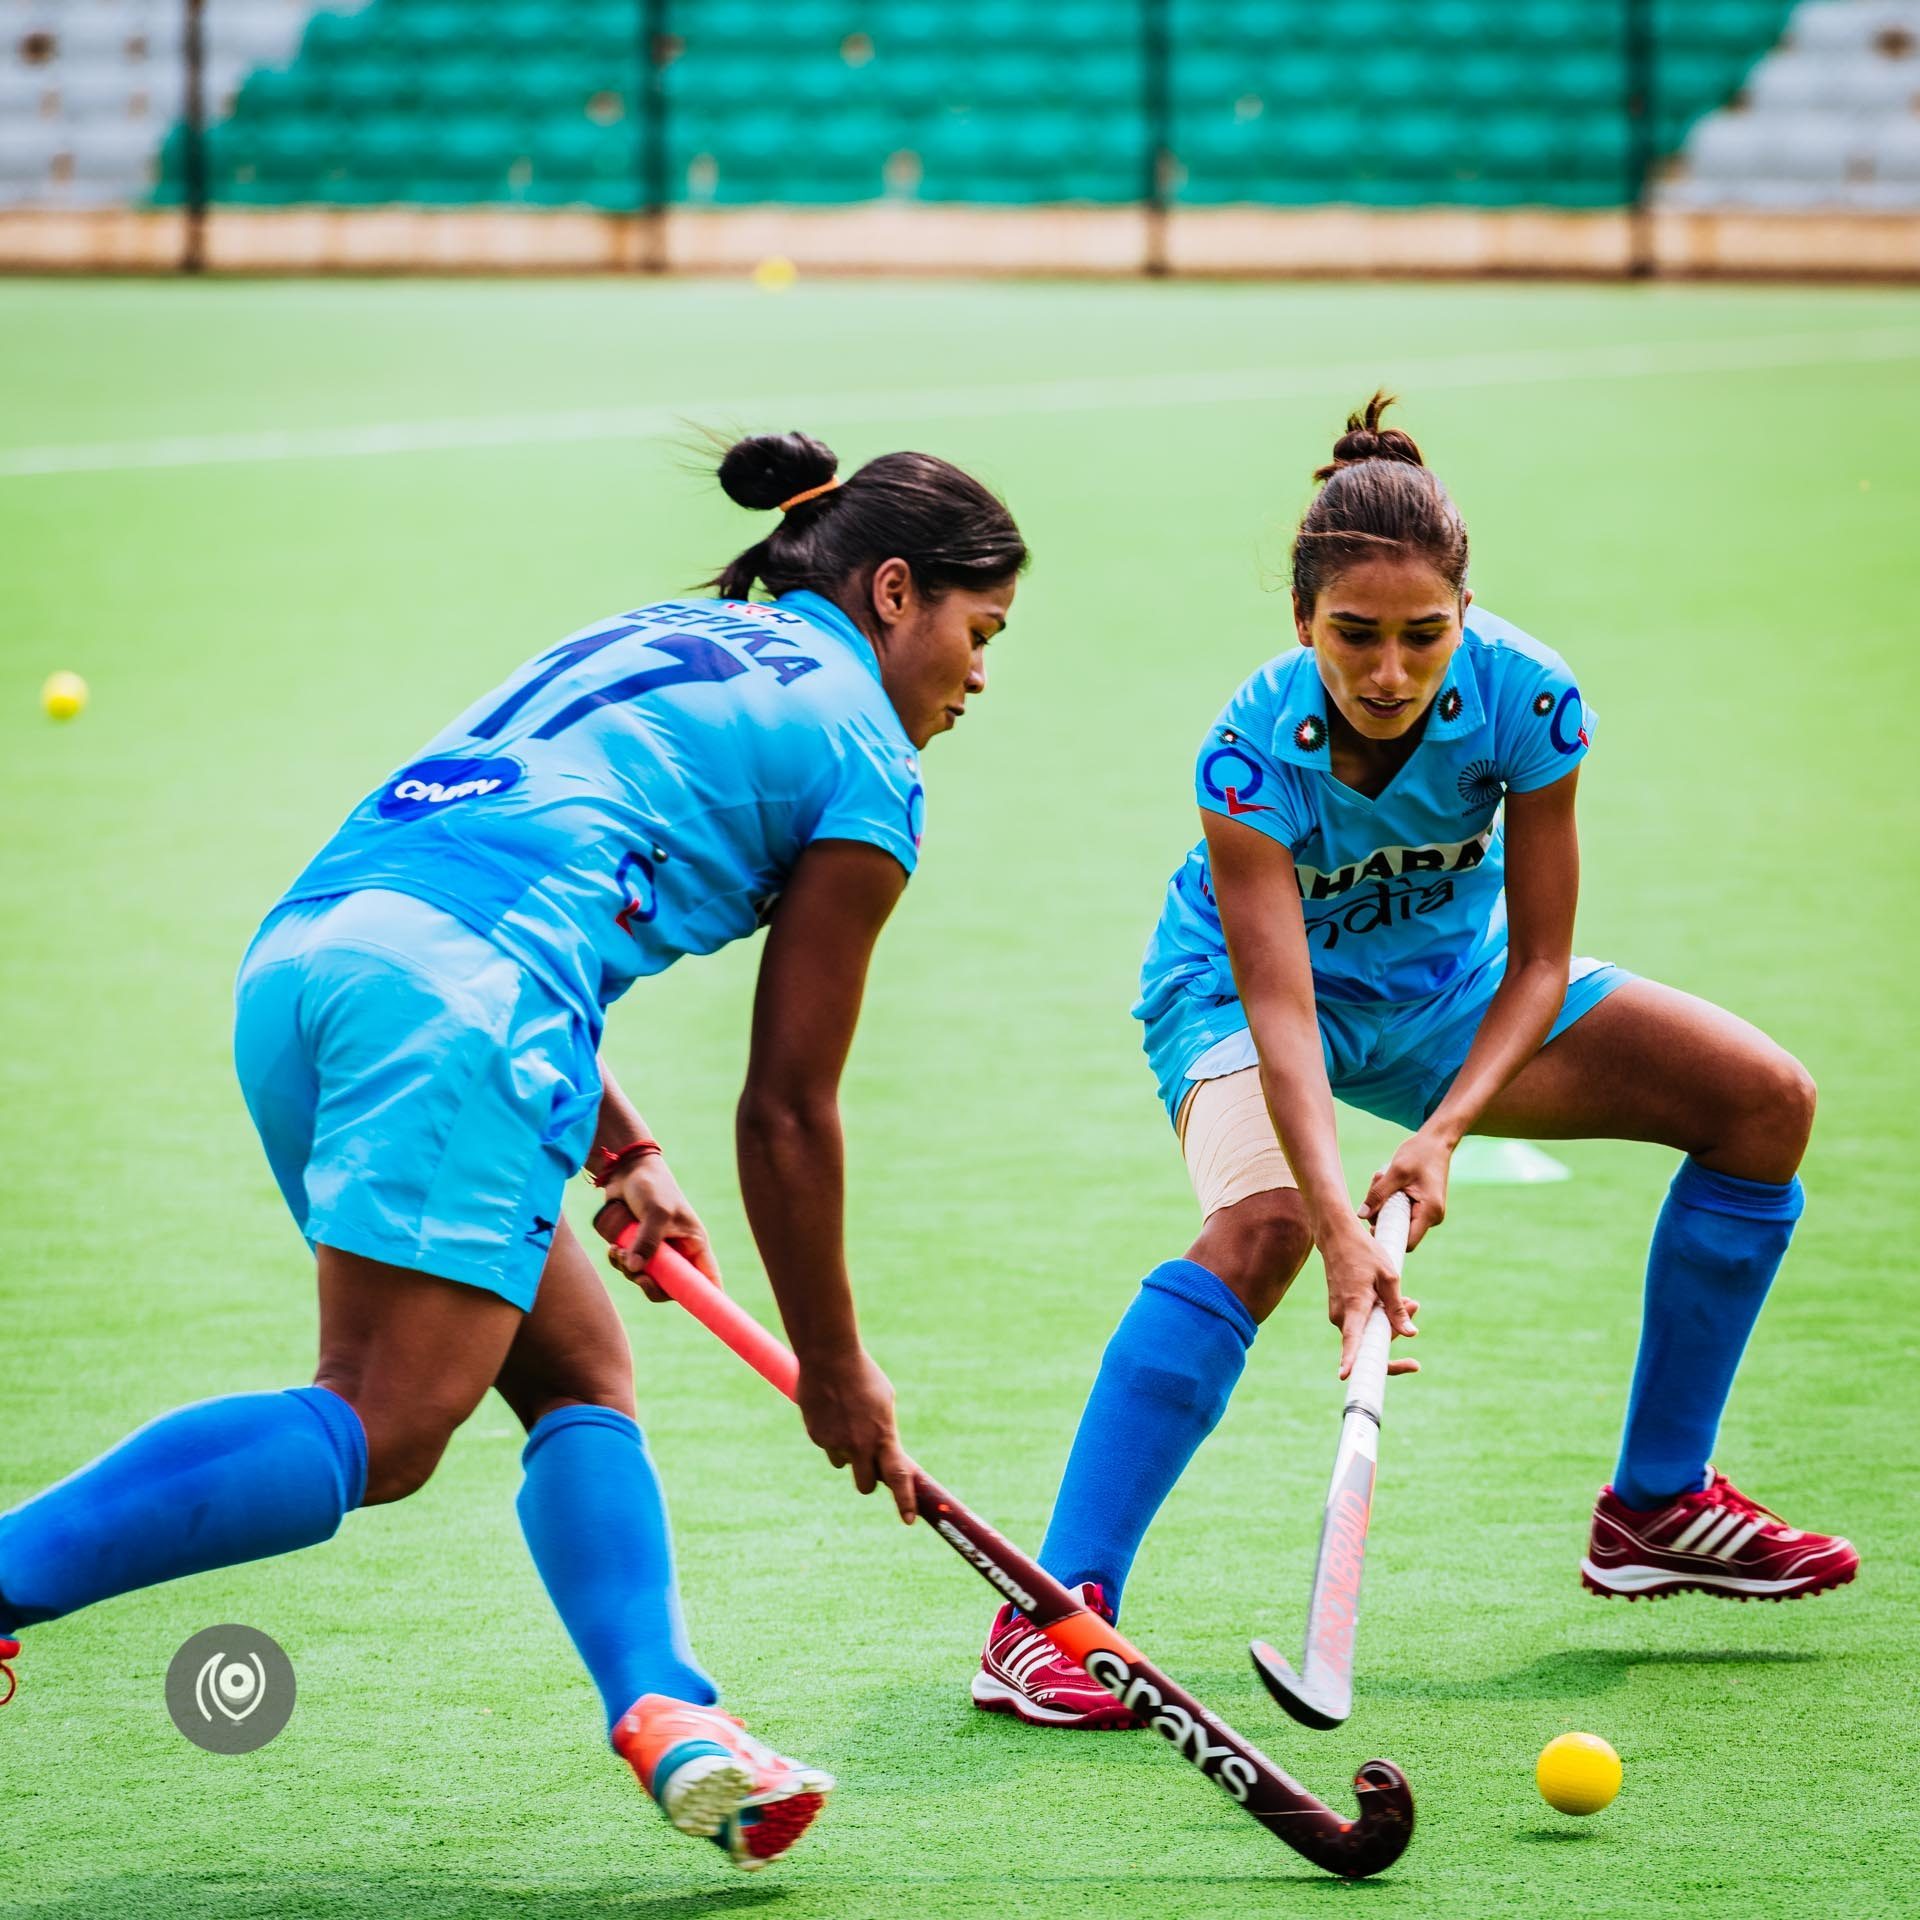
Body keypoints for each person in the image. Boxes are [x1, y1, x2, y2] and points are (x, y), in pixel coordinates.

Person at [0, 431, 1025, 1869]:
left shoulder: (671, 631)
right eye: (981, 634)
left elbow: (520, 855)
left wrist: (619, 1148)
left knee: (576, 1373)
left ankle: (673, 1714)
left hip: (313, 965)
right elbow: (789, 1111)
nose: (980, 676)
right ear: (897, 594)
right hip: (465, 1014)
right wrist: (837, 1368)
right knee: (385, 1421)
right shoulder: (865, 759)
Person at [974, 396, 1854, 1730]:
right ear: (1301, 623)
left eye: (1423, 636)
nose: (1389, 672)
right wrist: (1340, 1222)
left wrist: (1440, 1134)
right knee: (1261, 1226)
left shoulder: (1530, 697)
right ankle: (1052, 1617)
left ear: (1466, 613)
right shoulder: (1253, 747)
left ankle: (1660, 1506)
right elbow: (1277, 1009)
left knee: (1762, 1103)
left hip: (1454, 989)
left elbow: (1544, 963)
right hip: (1244, 994)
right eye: (1355, 637)